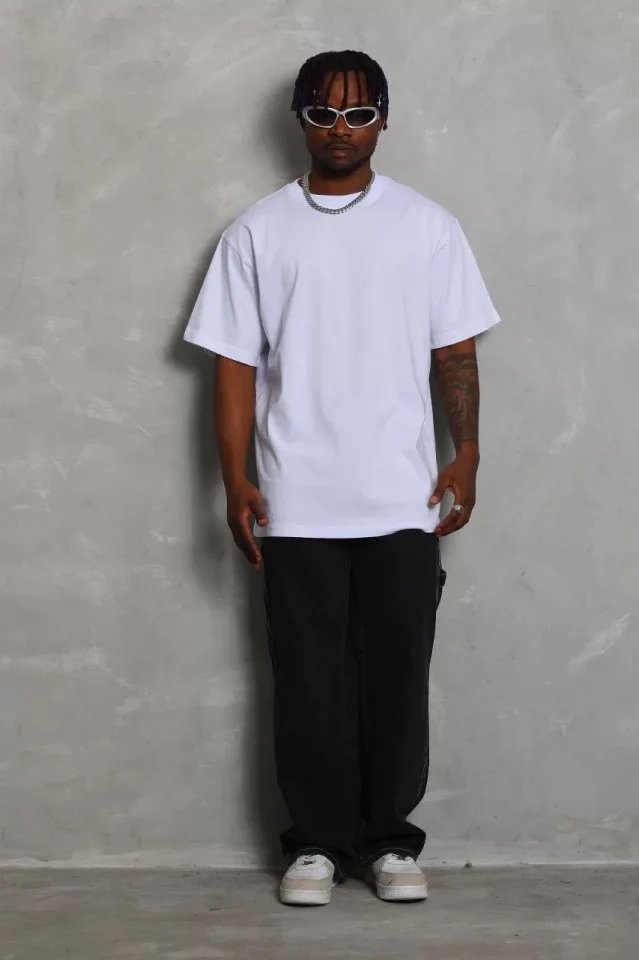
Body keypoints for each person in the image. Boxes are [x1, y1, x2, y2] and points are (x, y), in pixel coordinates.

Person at [183, 49, 502, 907]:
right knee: (307, 681)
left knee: (396, 674)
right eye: (323, 112)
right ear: (299, 118)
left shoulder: (426, 226)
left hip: (403, 494)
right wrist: (234, 478)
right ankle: (316, 845)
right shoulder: (257, 232)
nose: (340, 129)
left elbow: (454, 350)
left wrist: (467, 452)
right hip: (296, 498)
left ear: (383, 120)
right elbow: (233, 367)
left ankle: (389, 842)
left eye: (358, 114)